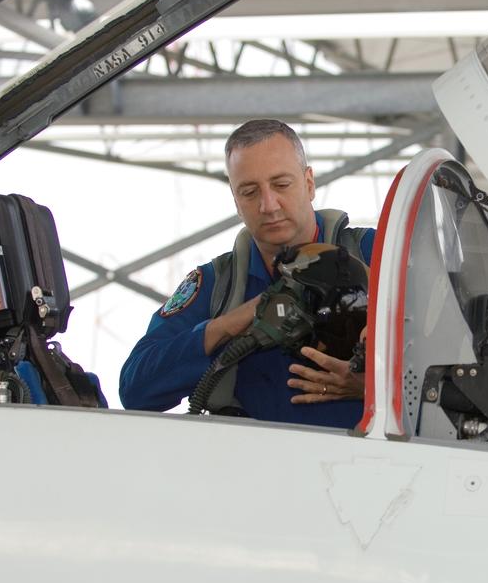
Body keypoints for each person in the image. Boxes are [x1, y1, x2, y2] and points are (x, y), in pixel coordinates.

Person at [119, 119, 375, 426]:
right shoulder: (216, 285)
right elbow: (135, 389)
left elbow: (445, 362)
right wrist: (230, 325)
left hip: (370, 464)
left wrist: (371, 388)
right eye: (250, 191)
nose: (268, 205)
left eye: (281, 185)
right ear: (236, 202)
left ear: (309, 184)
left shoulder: (379, 254)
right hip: (250, 466)